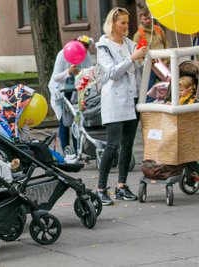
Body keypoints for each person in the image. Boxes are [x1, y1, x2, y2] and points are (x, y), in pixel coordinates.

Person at [95, 7, 148, 206]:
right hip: (115, 101)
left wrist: (143, 59)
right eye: (122, 23)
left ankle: (121, 186)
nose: (126, 26)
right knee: (112, 145)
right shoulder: (104, 46)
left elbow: (137, 70)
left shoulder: (129, 43)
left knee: (127, 145)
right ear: (113, 23)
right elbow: (112, 73)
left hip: (133, 99)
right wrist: (133, 58)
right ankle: (100, 188)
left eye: (127, 22)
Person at [48, 35, 93, 156]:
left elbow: (89, 73)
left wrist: (82, 75)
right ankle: (66, 150)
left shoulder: (86, 55)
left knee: (77, 120)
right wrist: (68, 72)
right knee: (65, 121)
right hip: (62, 90)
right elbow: (56, 77)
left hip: (77, 90)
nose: (84, 51)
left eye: (86, 49)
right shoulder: (63, 54)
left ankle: (78, 150)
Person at [133, 7, 169, 100]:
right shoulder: (139, 34)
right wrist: (143, 64)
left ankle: (167, 103)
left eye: (149, 18)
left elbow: (166, 44)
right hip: (150, 66)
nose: (148, 21)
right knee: (150, 90)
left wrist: (167, 60)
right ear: (141, 19)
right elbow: (136, 52)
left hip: (163, 64)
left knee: (168, 87)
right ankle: (150, 109)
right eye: (145, 19)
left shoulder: (158, 30)